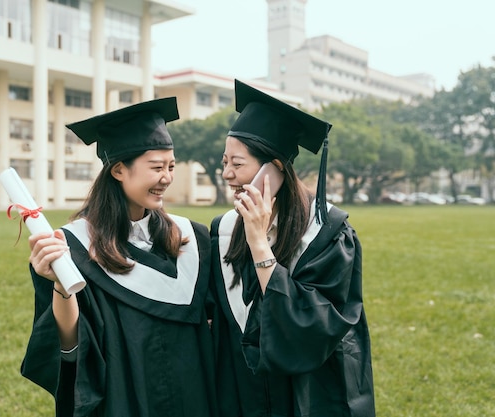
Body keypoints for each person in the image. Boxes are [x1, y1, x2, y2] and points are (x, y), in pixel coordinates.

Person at [21, 97, 217, 417]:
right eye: (156, 167)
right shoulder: (72, 246)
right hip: (124, 397)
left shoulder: (193, 238)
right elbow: (72, 347)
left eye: (171, 166)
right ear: (118, 170)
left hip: (193, 392)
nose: (167, 177)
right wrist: (60, 285)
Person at [210, 80, 375, 417]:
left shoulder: (327, 232)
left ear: (275, 168)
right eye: (225, 162)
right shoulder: (224, 228)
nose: (227, 174)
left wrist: (258, 242)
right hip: (244, 386)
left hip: (310, 387)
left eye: (237, 164)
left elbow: (317, 322)